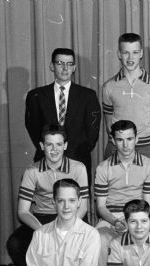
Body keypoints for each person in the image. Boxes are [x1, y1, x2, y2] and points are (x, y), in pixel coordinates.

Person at [7, 126, 89, 266]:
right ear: (41, 146)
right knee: (15, 243)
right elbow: (23, 212)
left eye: (58, 144)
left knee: (88, 240)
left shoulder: (79, 168)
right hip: (42, 218)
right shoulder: (32, 171)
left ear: (65, 145)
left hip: (71, 216)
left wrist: (68, 230)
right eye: (49, 144)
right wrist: (44, 231)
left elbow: (83, 207)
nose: (54, 149)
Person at [94, 120, 150, 266]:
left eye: (130, 139)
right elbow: (101, 207)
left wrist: (132, 221)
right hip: (111, 217)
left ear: (137, 139)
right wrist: (115, 222)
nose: (125, 145)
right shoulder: (103, 168)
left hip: (139, 213)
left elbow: (148, 204)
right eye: (120, 140)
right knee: (99, 238)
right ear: (113, 141)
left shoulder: (149, 165)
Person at [25, 48, 101, 180]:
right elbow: (33, 128)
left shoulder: (88, 95)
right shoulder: (36, 96)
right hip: (47, 160)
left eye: (69, 64)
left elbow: (92, 132)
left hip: (77, 160)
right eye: (60, 63)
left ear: (74, 67)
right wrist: (51, 151)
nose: (65, 68)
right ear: (52, 66)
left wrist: (74, 152)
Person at [102, 33, 150, 159]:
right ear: (119, 54)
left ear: (141, 53)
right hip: (116, 148)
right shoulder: (109, 87)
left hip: (145, 147)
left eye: (135, 52)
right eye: (126, 52)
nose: (130, 57)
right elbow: (108, 124)